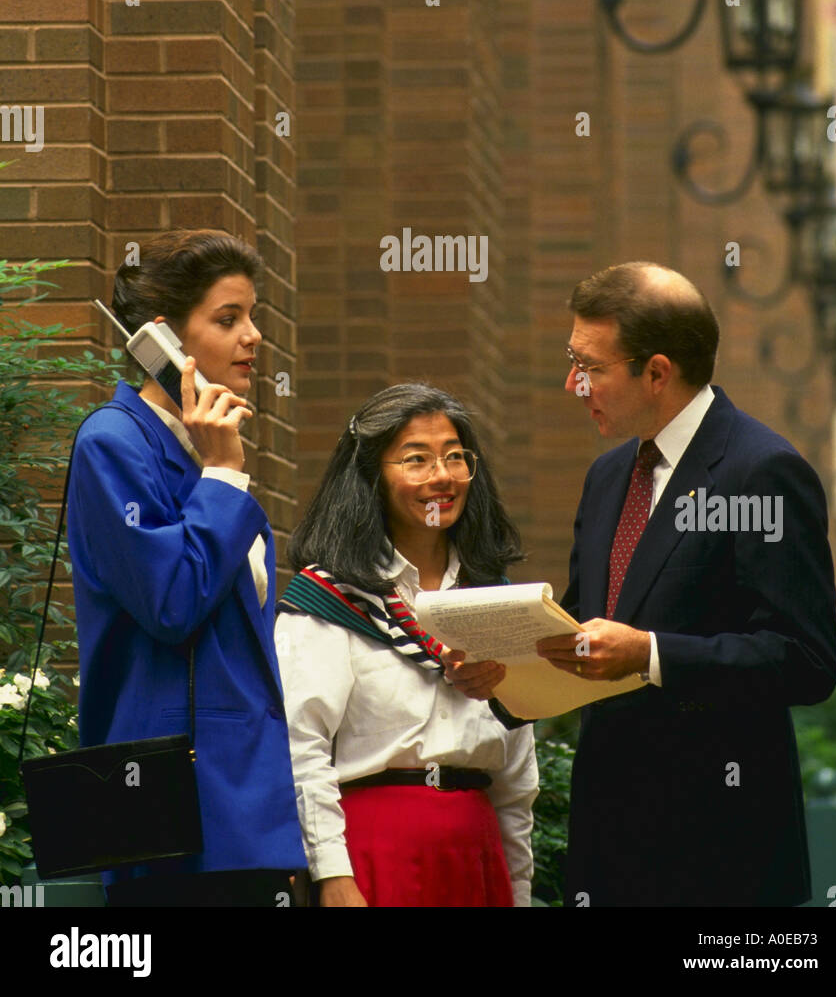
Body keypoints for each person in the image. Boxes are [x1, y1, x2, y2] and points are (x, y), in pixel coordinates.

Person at [450, 262, 836, 907]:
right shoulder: (608, 477)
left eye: (590, 366)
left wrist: (652, 654)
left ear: (657, 372)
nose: (571, 384)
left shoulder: (763, 471)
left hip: (721, 854)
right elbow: (586, 636)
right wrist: (505, 673)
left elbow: (805, 660)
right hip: (612, 842)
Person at [67, 228, 306, 906]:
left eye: (252, 316)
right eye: (228, 319)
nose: (253, 337)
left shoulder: (204, 447)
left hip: (245, 817)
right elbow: (172, 601)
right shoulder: (114, 444)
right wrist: (225, 476)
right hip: (170, 815)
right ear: (162, 340)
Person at [275, 383, 539, 907]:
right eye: (416, 459)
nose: (441, 476)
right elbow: (300, 748)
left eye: (455, 457)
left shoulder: (500, 602)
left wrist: (520, 889)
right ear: (371, 476)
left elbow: (516, 777)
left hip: (476, 857)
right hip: (375, 855)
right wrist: (332, 874)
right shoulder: (331, 598)